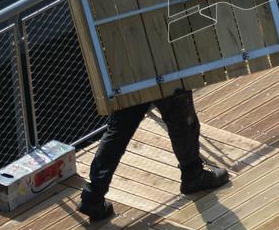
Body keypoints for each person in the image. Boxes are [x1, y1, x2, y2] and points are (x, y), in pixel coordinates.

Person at [78, 89, 229, 221]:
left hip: (125, 70)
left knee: (118, 129)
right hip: (157, 64)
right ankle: (193, 174)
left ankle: (93, 196)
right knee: (180, 116)